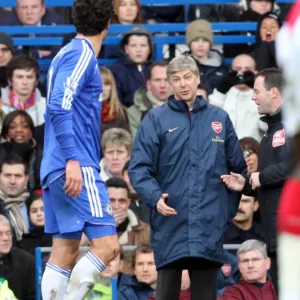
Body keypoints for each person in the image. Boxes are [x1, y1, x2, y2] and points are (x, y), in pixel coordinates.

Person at [129, 55, 247, 300]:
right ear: (170, 84)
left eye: (187, 77)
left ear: (197, 78)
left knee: (205, 295)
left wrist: (224, 213)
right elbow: (139, 168)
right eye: (176, 79)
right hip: (170, 220)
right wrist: (153, 197)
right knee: (166, 294)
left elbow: (238, 170)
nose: (182, 84)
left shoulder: (219, 118)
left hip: (208, 224)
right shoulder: (155, 118)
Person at [40, 0, 120, 299]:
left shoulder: (66, 52)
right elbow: (58, 106)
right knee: (108, 246)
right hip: (75, 163)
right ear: (108, 24)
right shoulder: (82, 55)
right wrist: (73, 158)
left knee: (65, 250)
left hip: (55, 165)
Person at [221, 68, 290, 293]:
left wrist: (259, 177)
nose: (253, 96)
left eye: (257, 91)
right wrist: (247, 185)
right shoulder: (271, 130)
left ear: (274, 92)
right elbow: (273, 179)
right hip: (277, 235)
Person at [209, 54, 265, 142]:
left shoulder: (262, 96)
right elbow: (210, 119)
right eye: (238, 69)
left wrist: (258, 90)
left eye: (247, 70)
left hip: (254, 150)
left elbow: (265, 126)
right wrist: (222, 90)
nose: (242, 73)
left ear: (255, 72)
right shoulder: (222, 93)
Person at [109, 26, 154, 107]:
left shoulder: (157, 69)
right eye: (133, 45)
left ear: (150, 49)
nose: (138, 50)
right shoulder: (116, 71)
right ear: (126, 49)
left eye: (143, 45)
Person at [127, 61, 172, 139]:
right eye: (157, 80)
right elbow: (137, 145)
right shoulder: (133, 113)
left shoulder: (187, 108)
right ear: (149, 84)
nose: (162, 85)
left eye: (167, 80)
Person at [0, 110, 43, 190]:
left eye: (25, 126)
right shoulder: (1, 151)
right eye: (12, 127)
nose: (19, 130)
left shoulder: (40, 154)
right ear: (6, 132)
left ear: (31, 132)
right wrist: (16, 153)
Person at [0, 55, 46, 126]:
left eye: (29, 77)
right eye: (20, 77)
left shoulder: (46, 106)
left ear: (36, 81)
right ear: (10, 80)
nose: (25, 82)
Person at [185, 19, 227, 95]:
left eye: (205, 40)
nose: (200, 45)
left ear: (210, 43)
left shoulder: (220, 66)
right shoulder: (180, 65)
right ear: (189, 43)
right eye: (196, 40)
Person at [106, 177, 150, 247]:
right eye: (111, 200)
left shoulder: (145, 231)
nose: (116, 206)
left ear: (128, 202)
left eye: (122, 201)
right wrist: (108, 229)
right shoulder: (89, 230)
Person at [0, 215, 35, 300]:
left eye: (8, 233)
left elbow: (31, 296)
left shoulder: (26, 261)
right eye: (0, 234)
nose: (6, 238)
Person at [0, 154, 31, 241]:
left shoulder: (39, 203)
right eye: (7, 175)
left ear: (26, 179)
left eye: (18, 176)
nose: (12, 181)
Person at [100, 67, 129, 134]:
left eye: (106, 84)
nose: (102, 89)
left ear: (112, 87)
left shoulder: (121, 113)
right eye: (98, 84)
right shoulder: (83, 113)